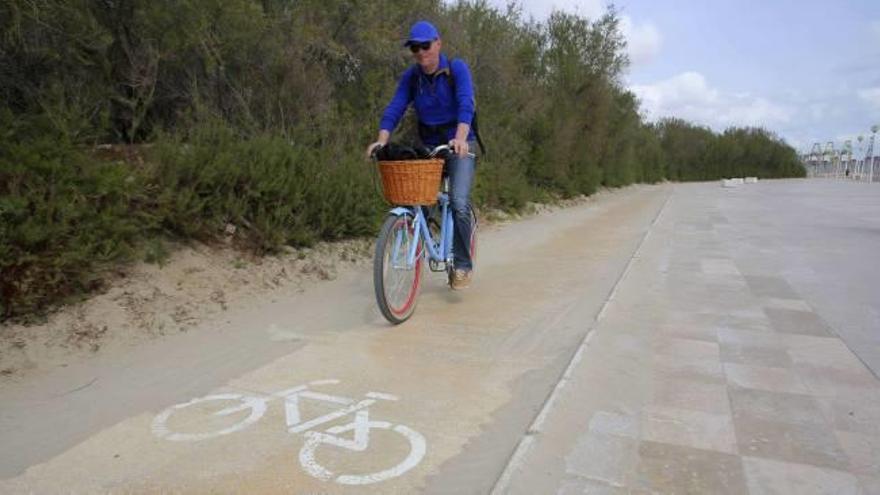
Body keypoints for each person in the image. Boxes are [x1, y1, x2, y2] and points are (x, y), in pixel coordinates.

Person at [366, 20, 478, 290]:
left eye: (425, 46)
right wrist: (381, 140)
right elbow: (395, 107)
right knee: (417, 197)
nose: (421, 53)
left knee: (459, 203)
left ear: (437, 43)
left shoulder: (456, 68)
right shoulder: (412, 77)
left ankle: (462, 264)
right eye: (415, 48)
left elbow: (466, 103)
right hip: (429, 146)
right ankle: (421, 242)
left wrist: (461, 139)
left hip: (460, 143)